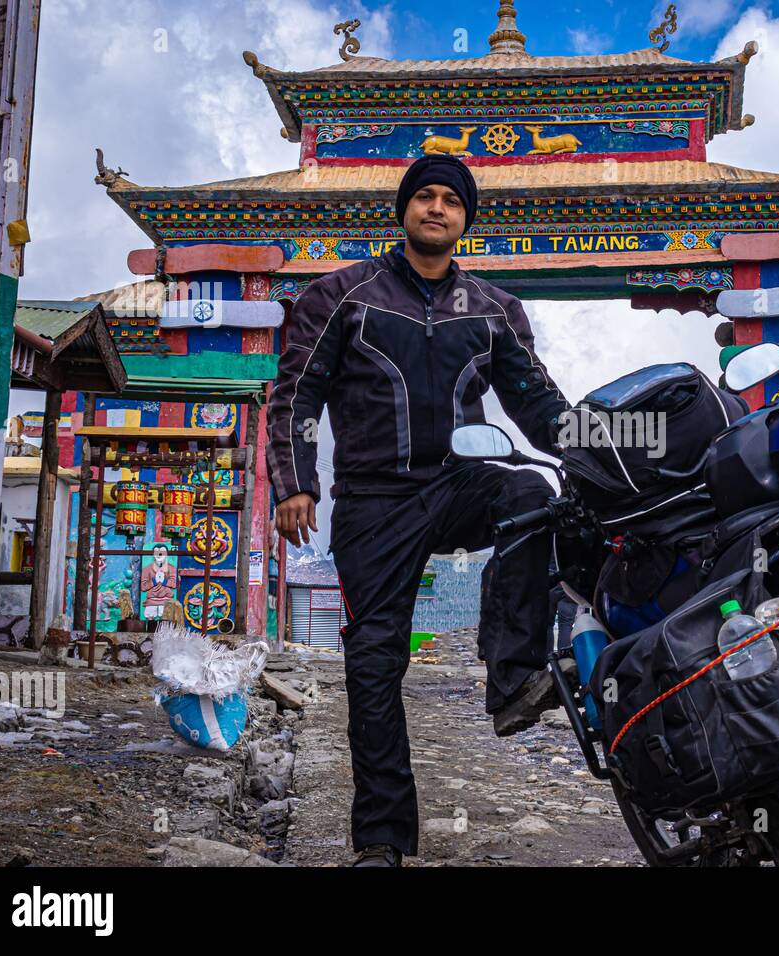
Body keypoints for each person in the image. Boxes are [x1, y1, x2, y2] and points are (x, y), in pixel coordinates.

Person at [266, 154, 571, 868]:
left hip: (458, 486)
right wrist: (295, 483)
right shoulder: (341, 295)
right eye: (425, 197)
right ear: (404, 211)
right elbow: (296, 395)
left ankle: (512, 673)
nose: (436, 208)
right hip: (372, 502)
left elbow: (539, 404)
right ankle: (381, 839)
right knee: (374, 664)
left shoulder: (495, 309)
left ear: (466, 220)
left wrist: (603, 457)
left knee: (531, 495)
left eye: (451, 201)